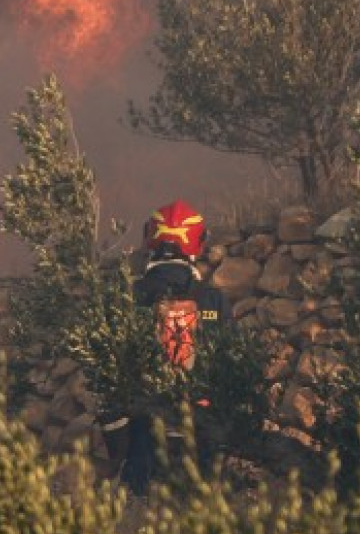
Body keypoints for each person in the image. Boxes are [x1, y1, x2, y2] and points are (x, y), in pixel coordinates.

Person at [99, 199, 231, 496]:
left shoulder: (126, 297)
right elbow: (230, 363)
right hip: (200, 425)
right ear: (198, 242)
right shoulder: (212, 300)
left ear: (150, 238)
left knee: (136, 507)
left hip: (141, 429)